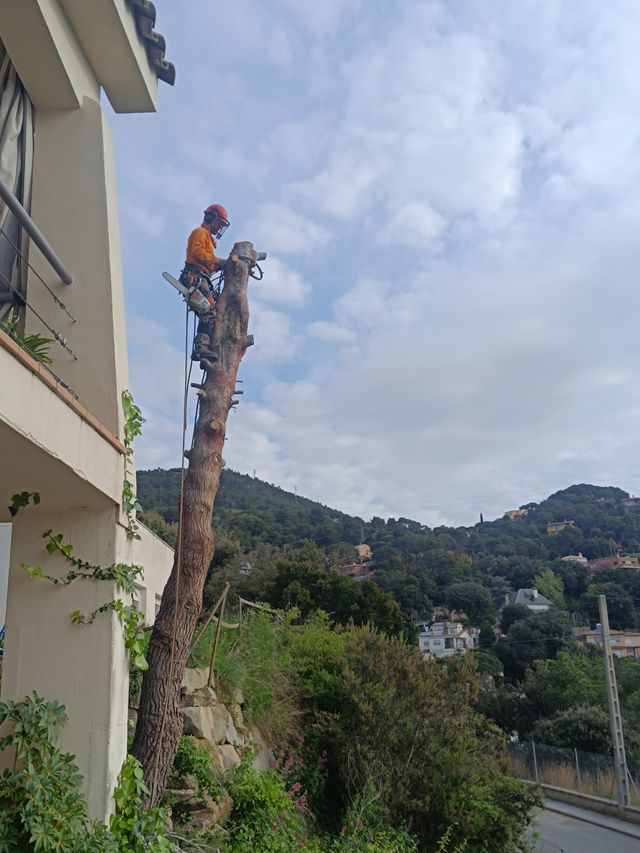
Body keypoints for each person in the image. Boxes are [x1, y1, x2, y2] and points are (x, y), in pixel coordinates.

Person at [180, 203, 230, 360]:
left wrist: (219, 265)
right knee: (208, 311)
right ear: (211, 218)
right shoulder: (200, 232)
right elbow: (198, 253)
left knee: (212, 314)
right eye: (219, 224)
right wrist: (219, 262)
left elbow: (207, 262)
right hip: (193, 278)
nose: (218, 228)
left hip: (201, 278)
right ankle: (201, 348)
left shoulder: (208, 239)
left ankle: (206, 348)